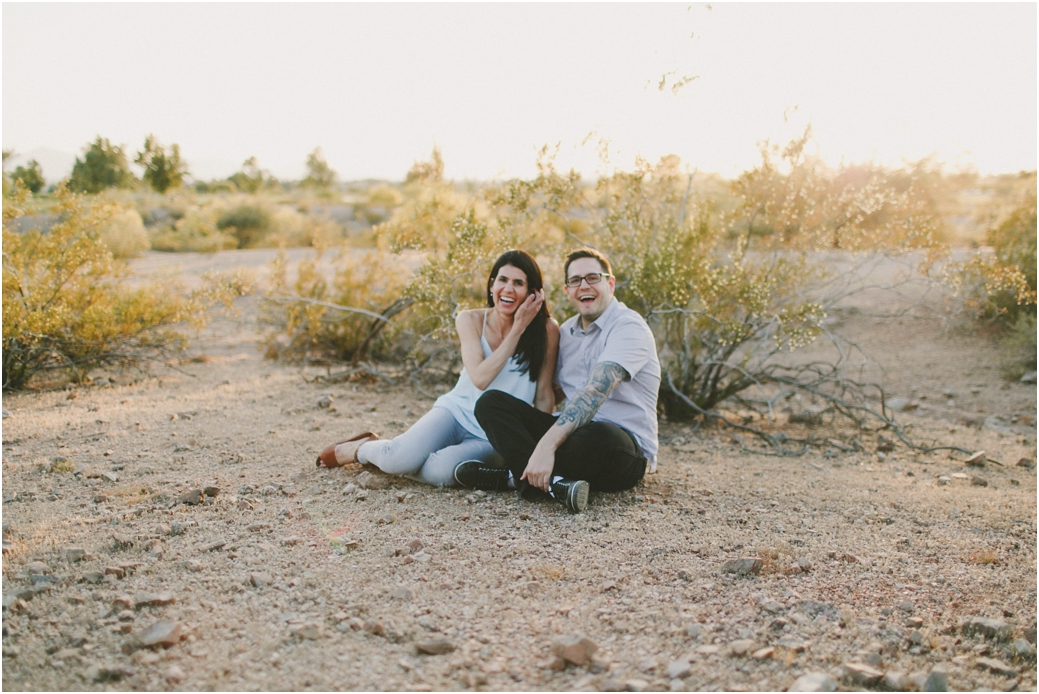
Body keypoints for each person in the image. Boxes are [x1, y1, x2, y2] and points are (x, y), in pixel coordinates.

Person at [315, 250, 560, 487]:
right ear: (491, 286)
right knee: (398, 459)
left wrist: (542, 446)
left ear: (532, 293)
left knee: (440, 471)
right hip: (456, 412)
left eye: (519, 283)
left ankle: (403, 458)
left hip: (494, 433)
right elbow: (480, 378)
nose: (508, 289)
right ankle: (361, 448)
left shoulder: (547, 330)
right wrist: (517, 329)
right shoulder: (470, 320)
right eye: (503, 280)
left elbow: (543, 395)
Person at [454, 247, 660, 513]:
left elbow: (595, 391)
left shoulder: (629, 327)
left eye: (593, 278)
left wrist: (545, 446)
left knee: (597, 436)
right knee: (490, 403)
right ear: (567, 291)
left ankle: (511, 475)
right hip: (571, 436)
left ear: (610, 283)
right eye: (575, 281)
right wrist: (519, 425)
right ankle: (553, 484)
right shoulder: (566, 333)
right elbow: (553, 393)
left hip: (620, 447)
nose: (584, 286)